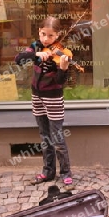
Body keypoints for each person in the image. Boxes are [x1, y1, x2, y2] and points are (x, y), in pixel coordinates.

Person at [15, 16, 74, 189]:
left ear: (57, 35)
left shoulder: (61, 52)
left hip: (53, 97)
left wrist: (63, 68)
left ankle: (66, 173)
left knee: (57, 137)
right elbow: (19, 59)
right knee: (44, 136)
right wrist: (36, 53)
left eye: (50, 36)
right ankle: (48, 171)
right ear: (39, 32)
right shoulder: (35, 46)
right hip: (37, 95)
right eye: (43, 34)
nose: (46, 39)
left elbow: (60, 81)